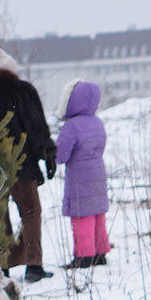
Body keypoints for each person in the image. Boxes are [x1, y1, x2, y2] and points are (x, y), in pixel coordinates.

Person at [0, 49, 56, 282]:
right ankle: (33, 264)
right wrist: (47, 152)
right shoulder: (24, 91)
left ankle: (2, 264)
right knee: (31, 212)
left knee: (0, 216)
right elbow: (37, 126)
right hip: (23, 164)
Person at [56, 80, 110, 269]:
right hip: (98, 171)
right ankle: (100, 253)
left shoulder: (72, 126)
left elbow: (61, 155)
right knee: (97, 215)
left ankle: (84, 256)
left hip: (79, 175)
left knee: (81, 217)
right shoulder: (97, 122)